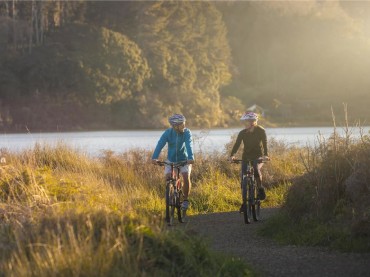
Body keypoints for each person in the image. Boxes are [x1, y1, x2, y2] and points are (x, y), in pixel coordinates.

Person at [152, 114, 194, 211]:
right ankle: (171, 194)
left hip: (184, 159)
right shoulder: (168, 133)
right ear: (175, 126)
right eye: (182, 125)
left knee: (185, 175)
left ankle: (185, 200)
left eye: (184, 124)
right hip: (171, 160)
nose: (184, 126)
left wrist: (191, 157)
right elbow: (160, 144)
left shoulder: (187, 132)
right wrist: (154, 157)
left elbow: (189, 145)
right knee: (168, 177)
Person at [229, 111, 269, 205]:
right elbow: (237, 144)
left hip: (258, 156)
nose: (244, 124)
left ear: (253, 122)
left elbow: (265, 143)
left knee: (255, 168)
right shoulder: (242, 133)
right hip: (246, 156)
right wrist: (232, 155)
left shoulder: (261, 131)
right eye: (244, 122)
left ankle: (260, 188)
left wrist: (266, 155)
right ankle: (244, 202)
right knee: (243, 176)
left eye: (246, 122)